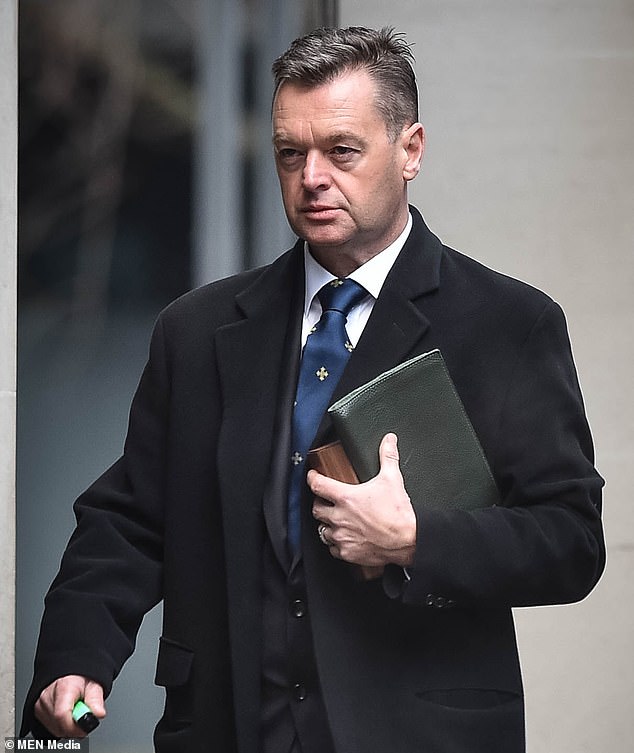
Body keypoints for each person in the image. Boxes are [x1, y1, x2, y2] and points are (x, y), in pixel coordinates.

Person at [22, 26, 605, 753]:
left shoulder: (508, 324)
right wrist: (76, 654)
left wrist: (417, 539)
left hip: (421, 733)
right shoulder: (196, 330)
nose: (311, 177)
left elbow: (572, 539)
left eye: (342, 150)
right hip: (228, 726)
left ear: (411, 149)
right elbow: (131, 518)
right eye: (290, 154)